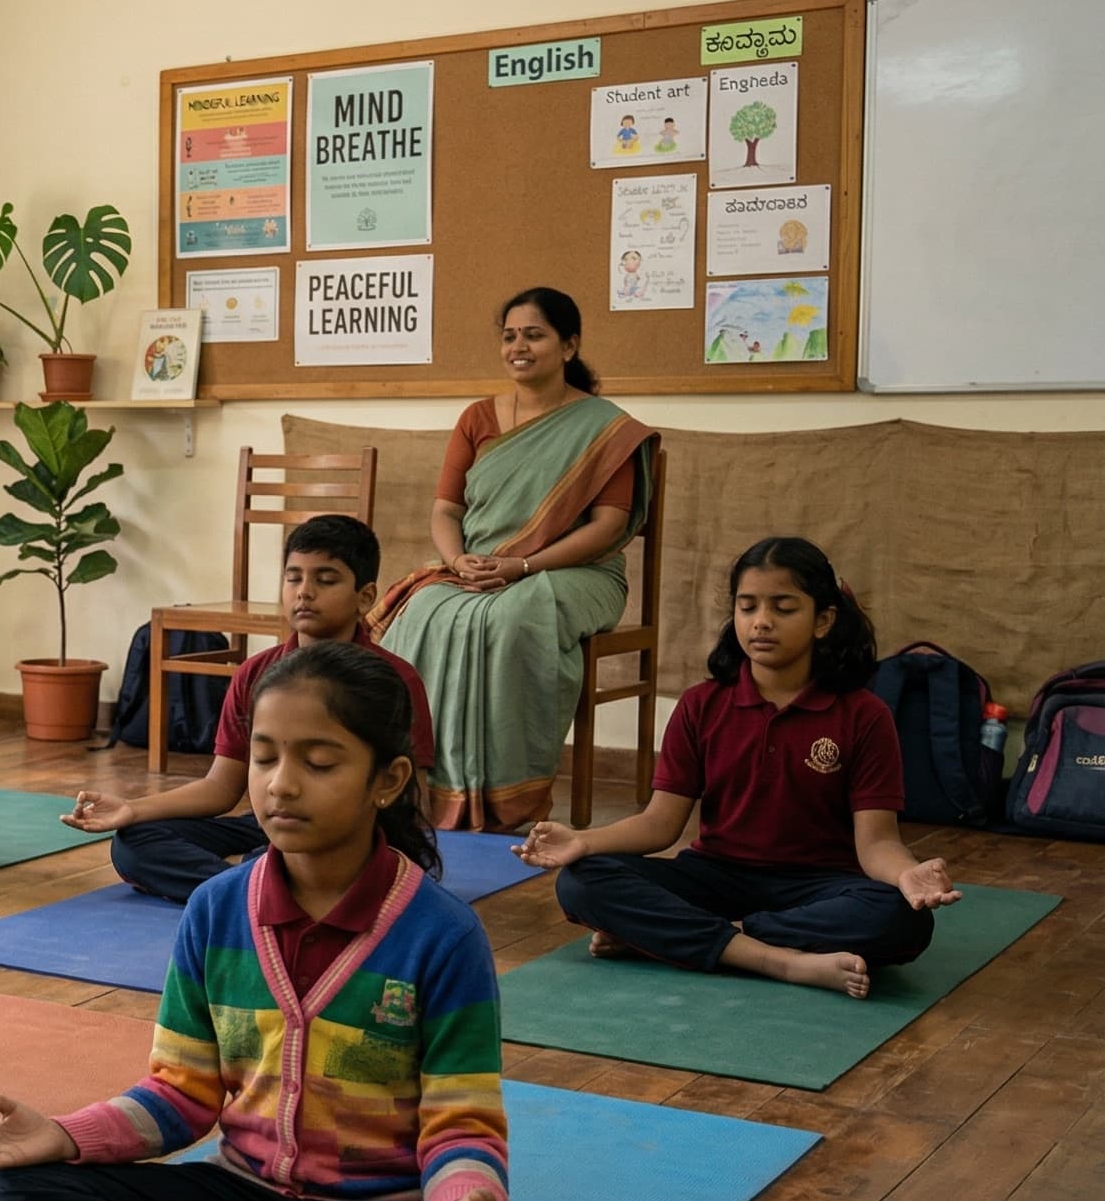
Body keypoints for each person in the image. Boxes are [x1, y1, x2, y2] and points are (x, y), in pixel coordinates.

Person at [0, 642, 509, 1201]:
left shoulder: (442, 936)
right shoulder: (216, 910)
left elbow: (461, 1120)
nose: (280, 784)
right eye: (265, 756)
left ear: (387, 781)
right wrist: (65, 1136)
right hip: (242, 1196)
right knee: (14, 1200)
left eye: (319, 762)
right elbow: (181, 1096)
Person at [516, 537, 955, 998]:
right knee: (582, 882)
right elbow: (659, 825)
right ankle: (782, 961)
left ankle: (686, 938)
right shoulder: (700, 704)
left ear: (823, 620)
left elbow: (877, 842)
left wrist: (906, 873)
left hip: (818, 888)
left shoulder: (865, 716)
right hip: (714, 876)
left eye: (783, 608)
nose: (761, 622)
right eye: (747, 608)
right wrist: (582, 841)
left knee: (903, 918)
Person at [371, 287, 658, 831]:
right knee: (424, 609)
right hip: (476, 570)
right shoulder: (478, 417)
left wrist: (523, 566)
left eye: (534, 334)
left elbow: (608, 528)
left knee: (509, 616)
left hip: (578, 573)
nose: (518, 346)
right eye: (509, 336)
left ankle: (507, 797)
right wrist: (456, 562)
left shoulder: (605, 427)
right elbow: (445, 510)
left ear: (569, 345)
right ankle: (423, 789)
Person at [68, 515, 432, 903]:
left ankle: (258, 883)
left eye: (325, 580)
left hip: (353, 831)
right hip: (277, 822)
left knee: (294, 859)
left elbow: (413, 801)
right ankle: (253, 889)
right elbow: (220, 788)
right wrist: (132, 809)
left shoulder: (393, 678)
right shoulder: (256, 673)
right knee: (135, 842)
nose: (304, 592)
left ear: (364, 596)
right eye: (294, 578)